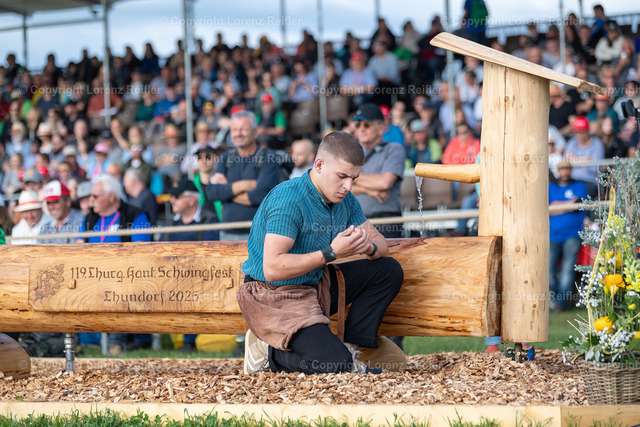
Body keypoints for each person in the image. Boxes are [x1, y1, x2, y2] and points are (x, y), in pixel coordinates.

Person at [239, 131, 404, 375]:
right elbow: (272, 269)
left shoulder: (346, 200)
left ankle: (353, 348)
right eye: (342, 176)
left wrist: (368, 247)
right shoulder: (289, 198)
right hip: (272, 295)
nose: (348, 186)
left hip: (314, 286)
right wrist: (331, 252)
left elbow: (381, 244)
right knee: (334, 364)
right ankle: (267, 352)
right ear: (318, 165)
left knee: (388, 270)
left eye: (354, 179)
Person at [76, 174, 152, 356]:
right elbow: (77, 249)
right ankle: (77, 339)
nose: (90, 200)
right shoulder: (90, 219)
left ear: (111, 197)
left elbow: (142, 252)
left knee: (119, 289)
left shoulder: (135, 215)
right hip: (92, 275)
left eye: (95, 196)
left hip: (126, 276)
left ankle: (116, 342)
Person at [205, 111, 280, 241]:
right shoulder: (226, 157)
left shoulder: (269, 157)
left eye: (243, 129)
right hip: (227, 234)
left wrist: (226, 190)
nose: (238, 133)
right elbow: (212, 192)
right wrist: (244, 185)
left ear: (255, 133)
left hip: (259, 234)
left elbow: (260, 196)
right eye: (234, 130)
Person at [349, 104, 406, 239]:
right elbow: (342, 188)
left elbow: (384, 183)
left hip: (386, 221)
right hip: (355, 222)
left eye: (366, 125)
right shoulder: (351, 153)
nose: (361, 129)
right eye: (358, 125)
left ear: (381, 127)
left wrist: (352, 177)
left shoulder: (394, 149)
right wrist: (370, 191)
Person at [549, 161, 587, 312]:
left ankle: (560, 304)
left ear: (571, 170)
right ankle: (555, 299)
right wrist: (568, 205)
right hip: (552, 234)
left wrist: (556, 206)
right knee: (549, 270)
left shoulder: (579, 185)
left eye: (567, 169)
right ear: (558, 171)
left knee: (567, 270)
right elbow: (545, 209)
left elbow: (578, 204)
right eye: (562, 169)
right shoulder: (551, 187)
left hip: (572, 234)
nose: (564, 172)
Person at [564, 116, 605, 187]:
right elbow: (566, 163)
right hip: (571, 181)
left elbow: (595, 169)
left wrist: (574, 160)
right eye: (577, 132)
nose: (579, 135)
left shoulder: (597, 144)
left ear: (588, 131)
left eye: (582, 132)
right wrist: (585, 161)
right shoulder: (572, 142)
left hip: (590, 182)